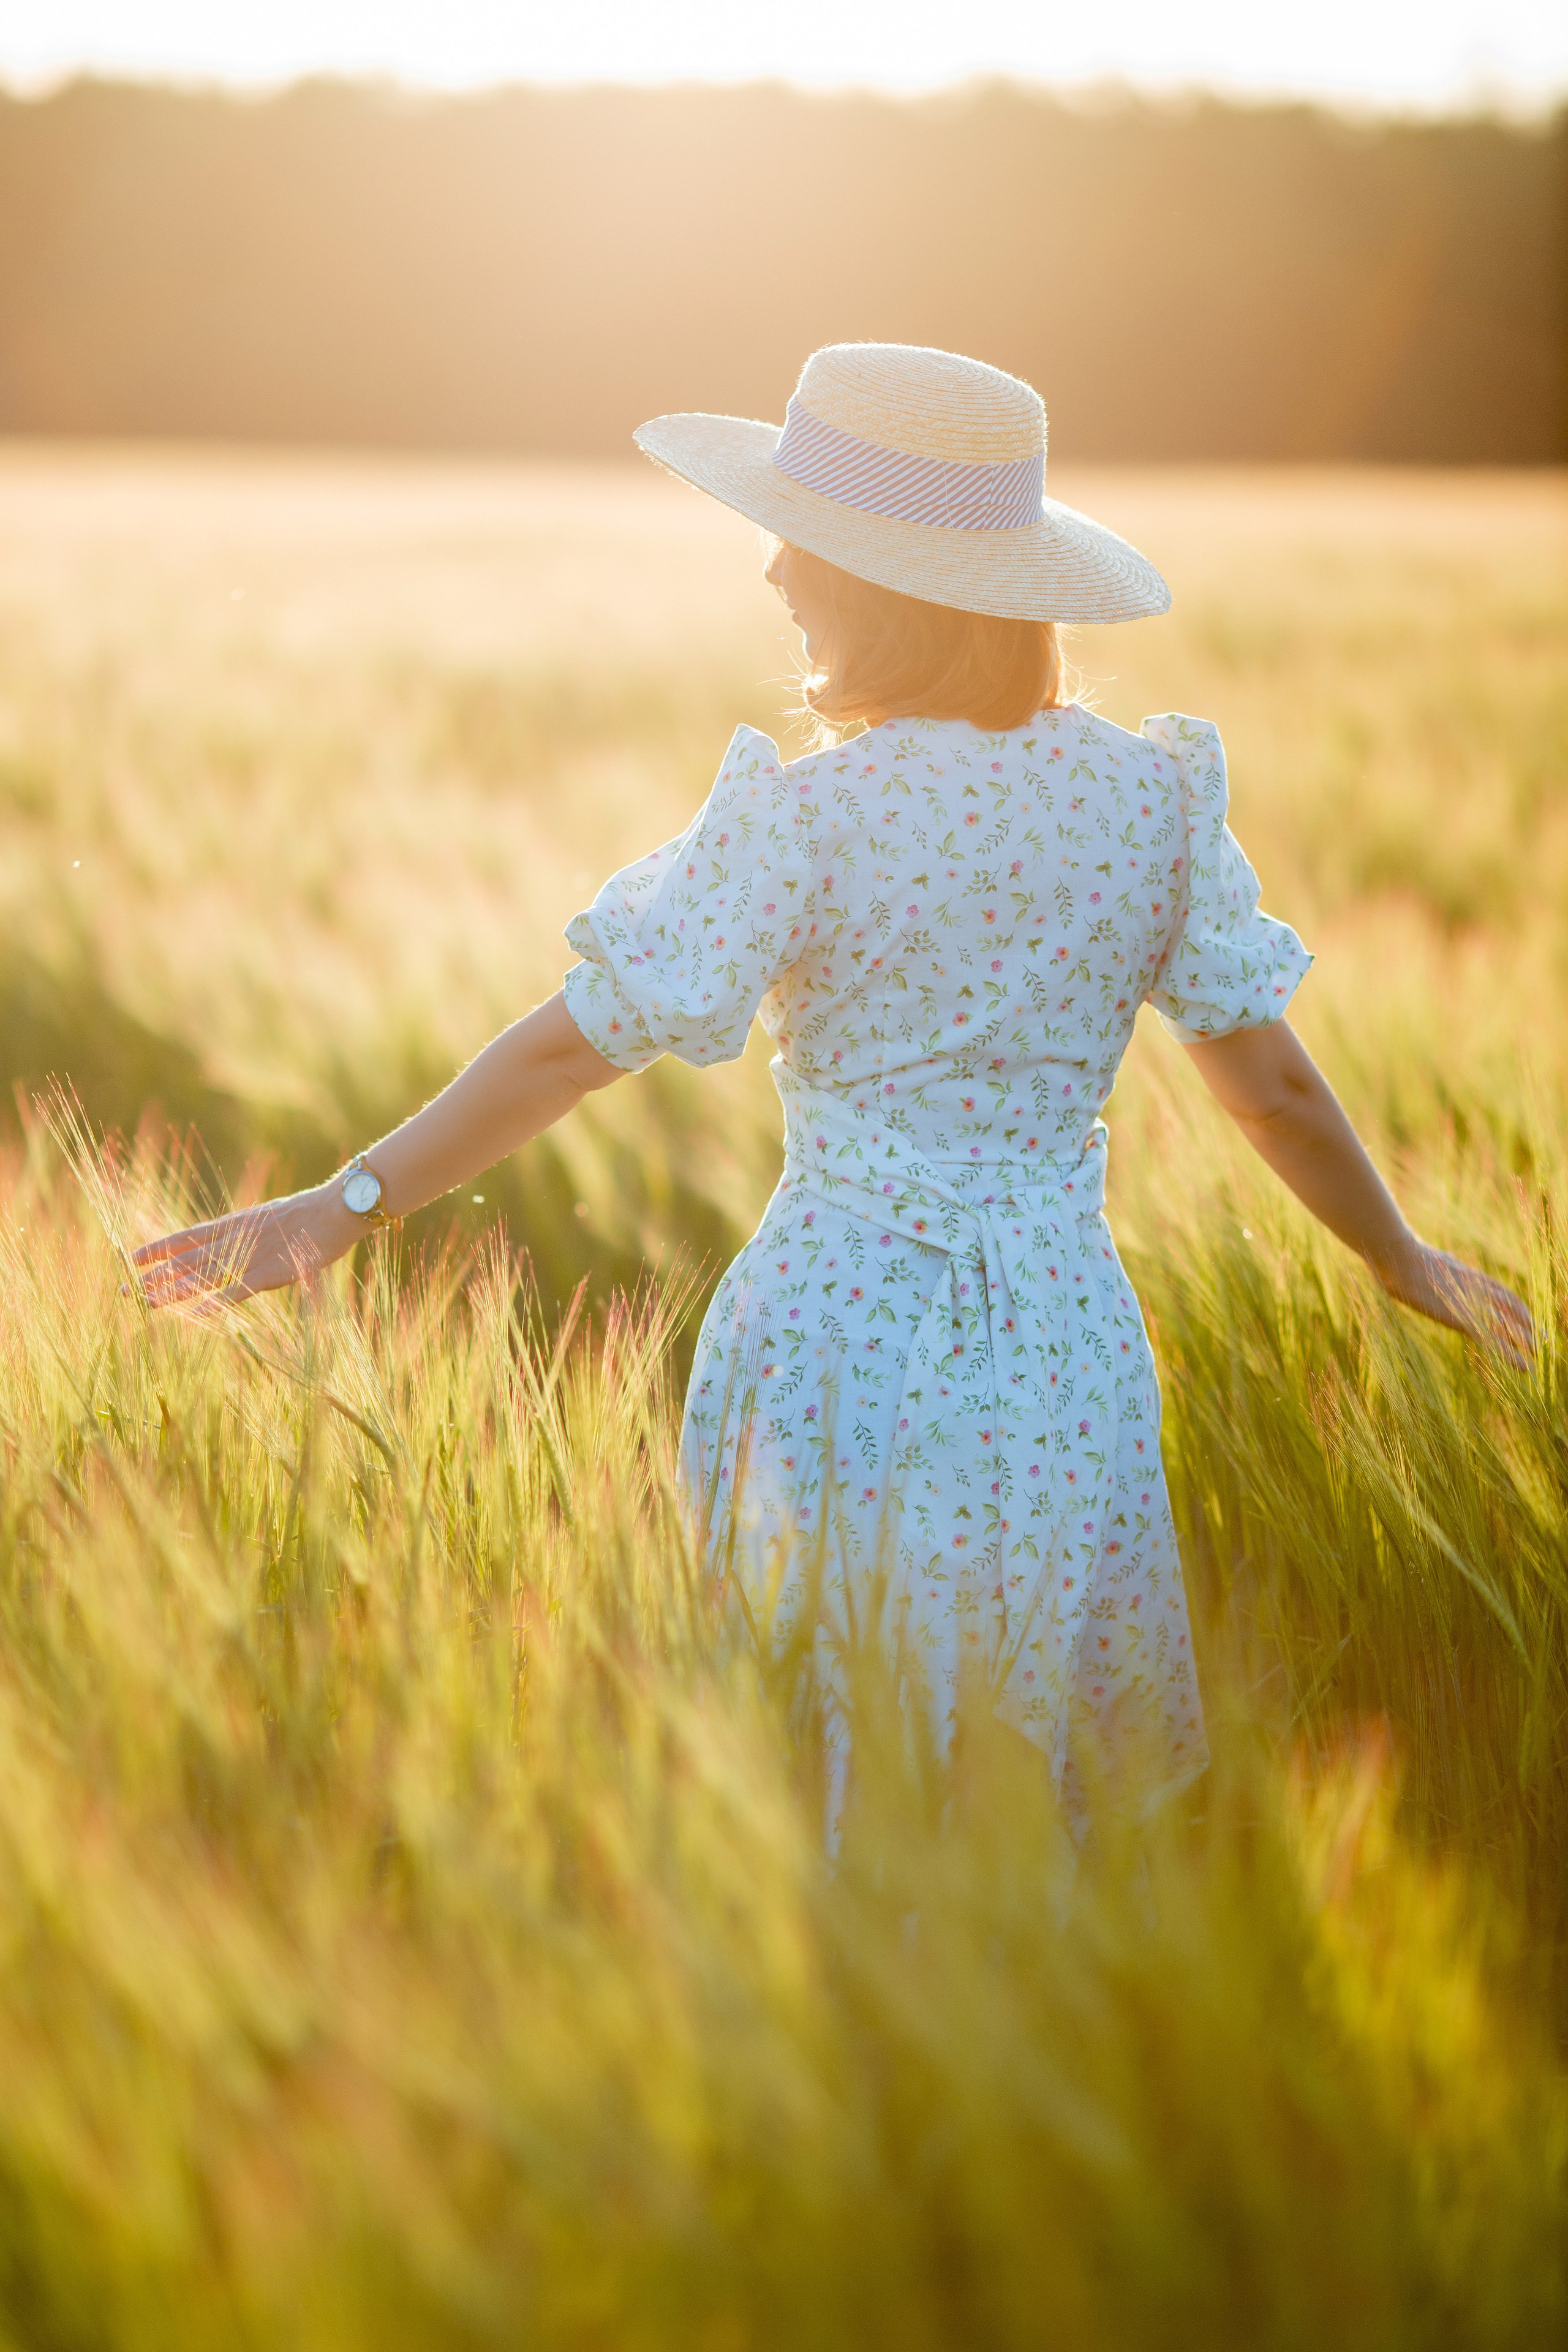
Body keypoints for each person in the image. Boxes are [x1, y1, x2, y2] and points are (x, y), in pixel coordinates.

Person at [136, 342, 1529, 1806]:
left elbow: (566, 1051)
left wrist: (340, 1208)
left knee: (822, 1775)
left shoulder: (804, 822)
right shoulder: (1147, 806)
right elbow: (1277, 1093)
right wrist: (1398, 1257)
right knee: (1031, 1771)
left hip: (836, 1352)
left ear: (883, 584)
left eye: (800, 542)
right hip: (1063, 1359)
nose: (774, 576)